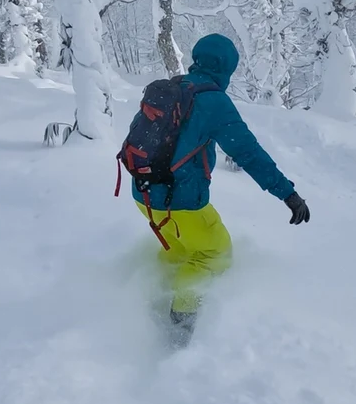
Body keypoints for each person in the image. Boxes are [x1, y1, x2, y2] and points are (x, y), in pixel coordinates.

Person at [131, 33, 310, 344]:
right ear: (227, 69)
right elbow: (249, 154)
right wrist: (288, 194)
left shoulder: (173, 88)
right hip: (182, 201)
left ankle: (152, 297)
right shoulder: (214, 101)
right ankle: (180, 325)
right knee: (213, 254)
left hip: (144, 192)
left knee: (180, 250)